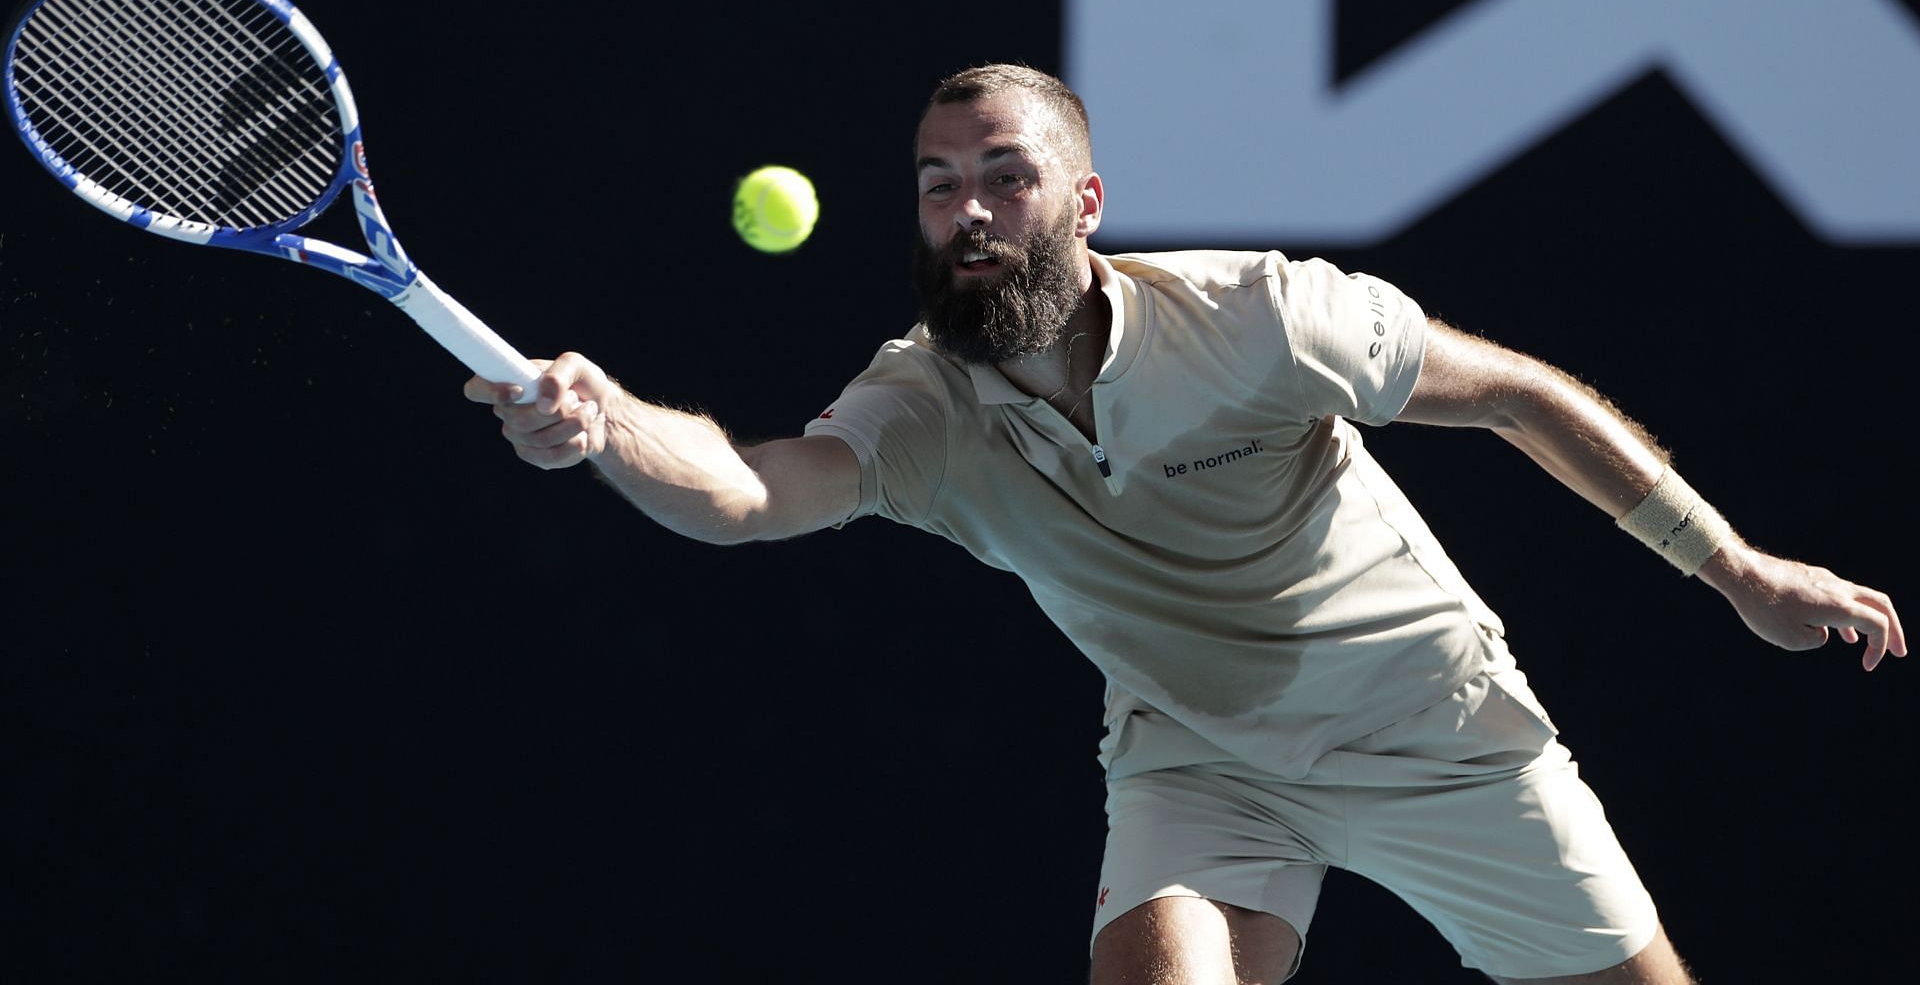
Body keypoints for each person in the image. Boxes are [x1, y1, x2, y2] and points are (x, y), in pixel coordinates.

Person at [466, 64, 1904, 984]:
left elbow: (1519, 398)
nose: (971, 213)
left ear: (1086, 203)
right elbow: (749, 493)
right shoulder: (922, 406)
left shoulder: (1263, 317)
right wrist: (611, 424)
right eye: (939, 185)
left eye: (1007, 178)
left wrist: (1731, 568)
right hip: (1203, 758)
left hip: (1429, 721)